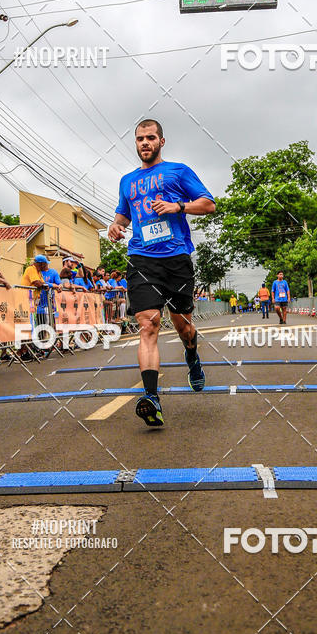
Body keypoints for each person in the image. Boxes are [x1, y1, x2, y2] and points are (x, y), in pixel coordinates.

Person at [108, 119, 215, 427]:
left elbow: (208, 205)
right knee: (148, 325)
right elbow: (123, 216)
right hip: (142, 259)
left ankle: (192, 355)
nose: (145, 142)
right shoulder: (127, 181)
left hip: (176, 258)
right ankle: (152, 398)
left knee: (183, 327)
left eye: (151, 137)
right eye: (140, 138)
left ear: (161, 142)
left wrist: (177, 207)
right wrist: (116, 227)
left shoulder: (178, 171)